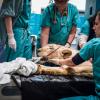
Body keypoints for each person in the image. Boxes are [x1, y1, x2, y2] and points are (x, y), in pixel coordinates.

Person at [49, 11, 100, 100]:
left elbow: (72, 62)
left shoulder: (95, 44)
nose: (93, 27)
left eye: (96, 24)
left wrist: (55, 61)